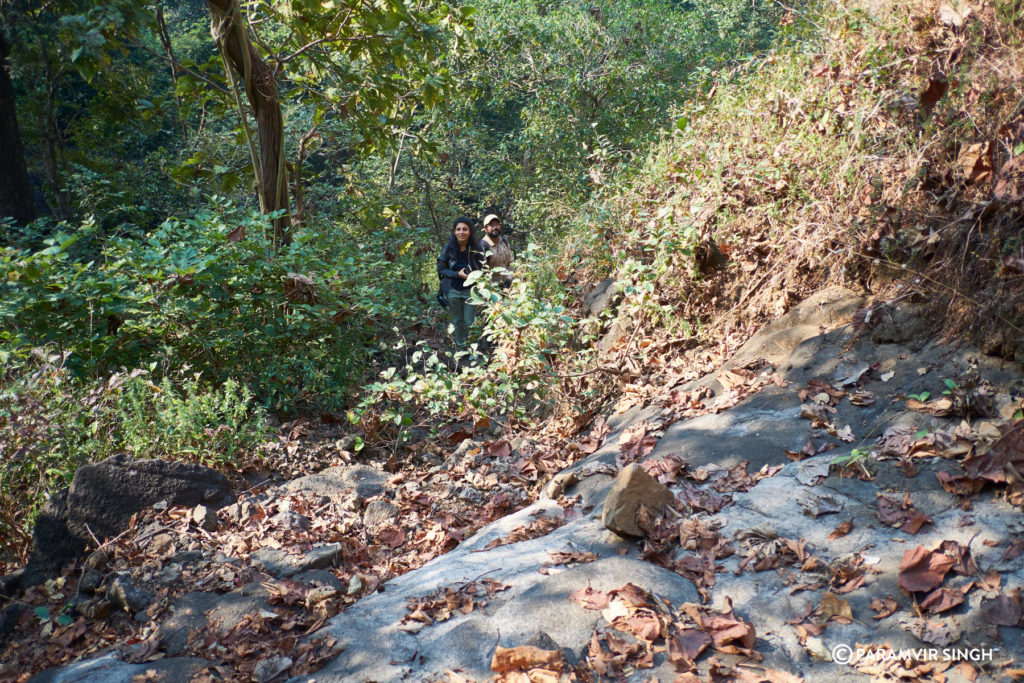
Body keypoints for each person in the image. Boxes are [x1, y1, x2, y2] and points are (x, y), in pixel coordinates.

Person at [437, 217, 485, 350]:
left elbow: (484, 269)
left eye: (465, 229)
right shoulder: (448, 248)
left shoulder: (476, 248)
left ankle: (471, 349)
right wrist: (457, 274)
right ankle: (460, 348)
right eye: (458, 229)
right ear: (454, 232)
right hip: (453, 290)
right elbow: (441, 269)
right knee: (457, 321)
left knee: (470, 322)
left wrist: (477, 279)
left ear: (470, 231)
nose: (461, 232)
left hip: (471, 292)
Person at [480, 213, 514, 288]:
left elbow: (510, 263)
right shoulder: (483, 246)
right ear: (485, 228)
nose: (495, 227)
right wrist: (494, 288)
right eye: (491, 225)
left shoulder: (504, 241)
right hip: (491, 290)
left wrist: (508, 281)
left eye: (497, 224)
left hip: (507, 288)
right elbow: (483, 272)